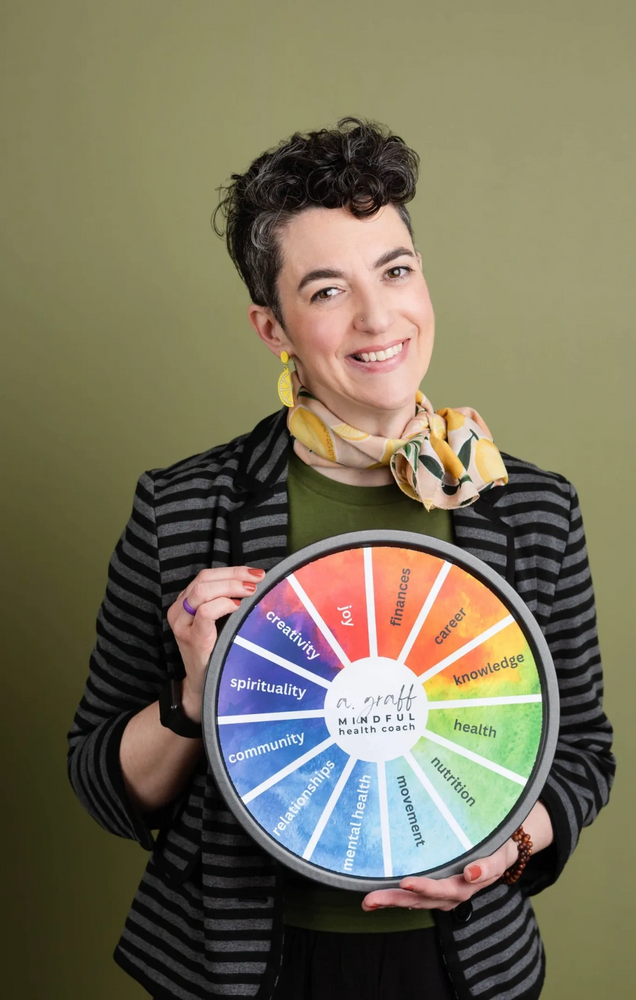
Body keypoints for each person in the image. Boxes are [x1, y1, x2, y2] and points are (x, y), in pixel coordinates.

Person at [67, 117, 615, 1000]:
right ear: (271, 325)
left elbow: (579, 748)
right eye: (326, 290)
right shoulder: (183, 509)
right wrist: (193, 700)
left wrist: (506, 852)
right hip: (241, 968)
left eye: (395, 271)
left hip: (459, 964)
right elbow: (104, 787)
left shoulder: (530, 508)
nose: (377, 317)